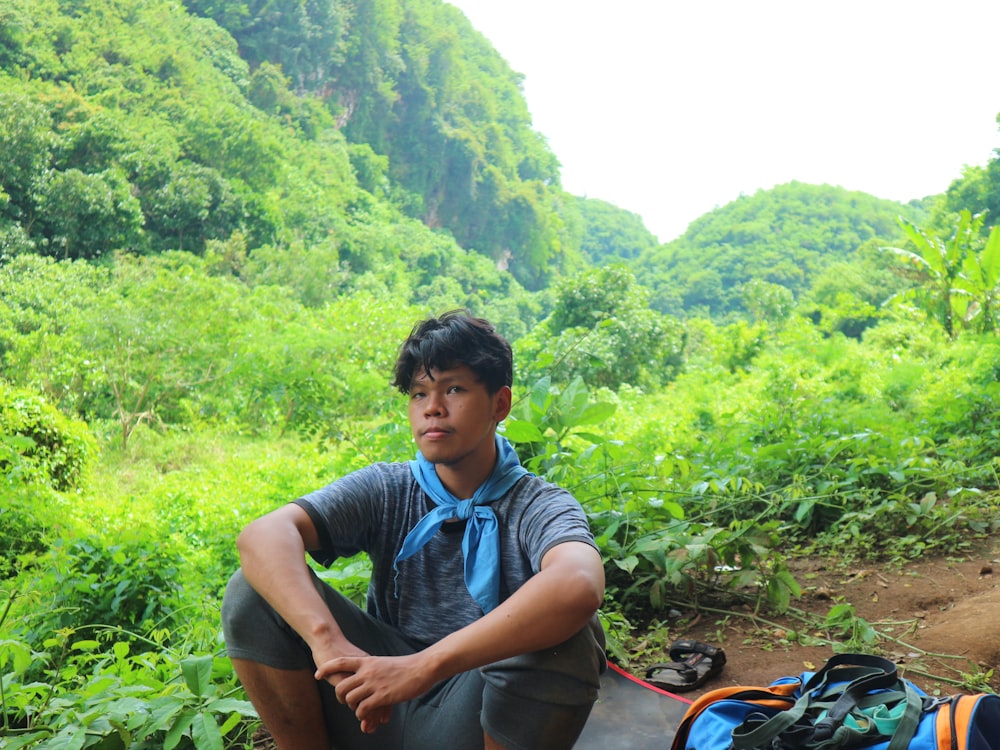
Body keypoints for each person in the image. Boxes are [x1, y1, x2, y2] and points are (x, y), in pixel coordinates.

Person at [221, 310, 607, 750]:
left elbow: (578, 583)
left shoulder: (538, 505)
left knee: (571, 637)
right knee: (251, 591)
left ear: (500, 404)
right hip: (371, 703)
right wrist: (326, 642)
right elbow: (262, 537)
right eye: (419, 393)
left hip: (470, 718)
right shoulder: (390, 487)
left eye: (454, 389)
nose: (433, 408)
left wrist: (422, 667)